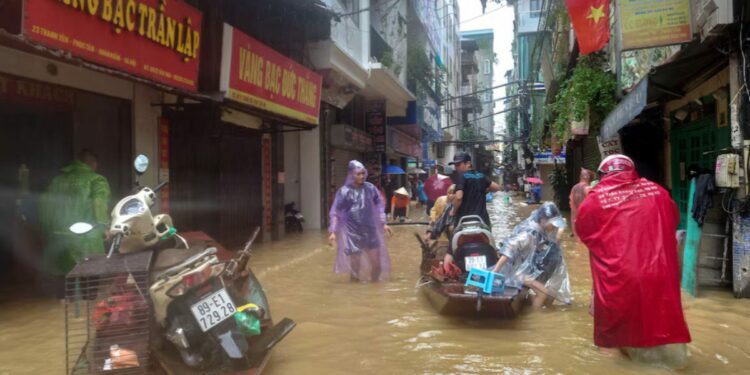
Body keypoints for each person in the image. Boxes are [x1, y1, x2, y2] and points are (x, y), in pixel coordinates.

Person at [576, 155, 691, 368]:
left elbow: (584, 233)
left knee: (612, 336)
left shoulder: (594, 199)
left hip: (619, 277)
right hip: (660, 272)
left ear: (603, 174)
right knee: (663, 322)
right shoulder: (658, 192)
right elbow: (672, 221)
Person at [38, 150, 111, 296]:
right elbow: (99, 203)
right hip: (88, 236)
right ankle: (88, 306)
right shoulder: (96, 180)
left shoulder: (57, 181)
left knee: (64, 275)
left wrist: (47, 229)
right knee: (90, 272)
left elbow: (45, 206)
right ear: (93, 164)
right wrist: (104, 226)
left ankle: (63, 306)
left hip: (59, 236)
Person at [491, 202, 571, 307]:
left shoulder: (542, 230)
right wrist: (494, 272)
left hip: (526, 271)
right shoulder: (528, 234)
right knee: (543, 293)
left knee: (551, 295)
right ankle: (534, 318)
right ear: (542, 219)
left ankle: (531, 307)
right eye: (553, 223)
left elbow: (559, 232)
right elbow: (508, 250)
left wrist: (560, 231)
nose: (554, 226)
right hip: (516, 272)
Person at [328, 160, 392, 282]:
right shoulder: (344, 191)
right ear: (351, 174)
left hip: (370, 230)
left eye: (363, 173)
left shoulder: (370, 188)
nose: (362, 176)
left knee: (377, 265)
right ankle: (355, 293)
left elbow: (379, 205)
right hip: (353, 233)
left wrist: (383, 223)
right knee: (355, 268)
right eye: (358, 174)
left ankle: (374, 289)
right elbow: (336, 212)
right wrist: (333, 231)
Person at [448, 152, 500, 226]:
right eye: (455, 165)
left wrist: (453, 211)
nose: (456, 167)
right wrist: (484, 190)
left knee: (452, 234)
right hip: (482, 220)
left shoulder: (461, 176)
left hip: (464, 221)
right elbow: (496, 188)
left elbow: (459, 197)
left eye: (458, 164)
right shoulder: (481, 176)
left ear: (468, 163)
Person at [568, 168, 595, 237]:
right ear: (589, 178)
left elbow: (571, 205)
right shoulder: (588, 189)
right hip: (586, 225)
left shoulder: (574, 188)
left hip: (575, 224)